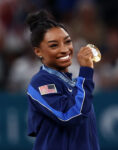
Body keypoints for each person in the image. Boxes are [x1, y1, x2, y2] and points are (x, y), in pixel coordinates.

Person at [26, 10, 100, 150]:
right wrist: (86, 71)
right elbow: (70, 115)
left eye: (67, 42)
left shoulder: (76, 84)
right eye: (54, 45)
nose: (65, 50)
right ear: (38, 51)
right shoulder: (40, 82)